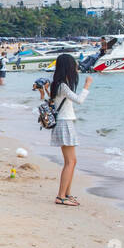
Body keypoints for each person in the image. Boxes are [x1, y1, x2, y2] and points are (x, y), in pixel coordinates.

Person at [48, 53, 93, 207]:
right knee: (70, 161)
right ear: (68, 67)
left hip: (64, 122)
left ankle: (66, 194)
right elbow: (79, 100)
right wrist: (87, 85)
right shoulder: (63, 85)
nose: (76, 67)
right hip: (65, 123)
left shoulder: (58, 84)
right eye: (73, 65)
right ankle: (61, 196)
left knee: (71, 161)